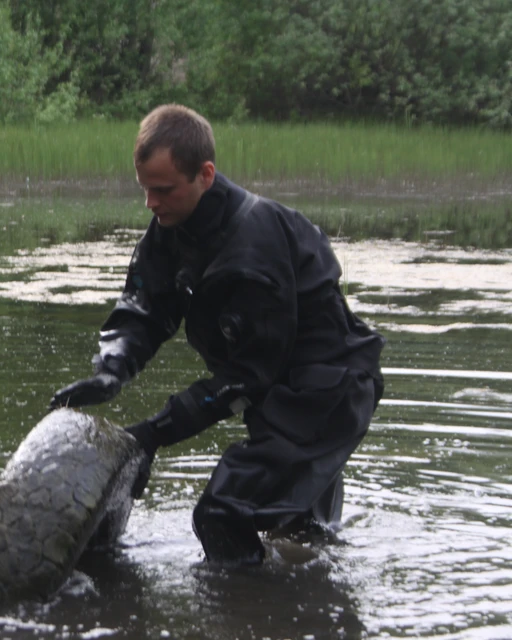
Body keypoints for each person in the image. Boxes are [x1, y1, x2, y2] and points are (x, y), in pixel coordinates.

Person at [49, 104, 385, 565]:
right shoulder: (172, 226)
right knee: (306, 531)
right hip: (279, 395)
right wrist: (113, 367)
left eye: (163, 190)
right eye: (145, 189)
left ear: (205, 174)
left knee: (222, 514)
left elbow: (247, 376)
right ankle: (307, 601)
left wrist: (153, 433)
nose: (151, 203)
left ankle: (241, 613)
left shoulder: (254, 250)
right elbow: (145, 307)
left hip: (324, 395)